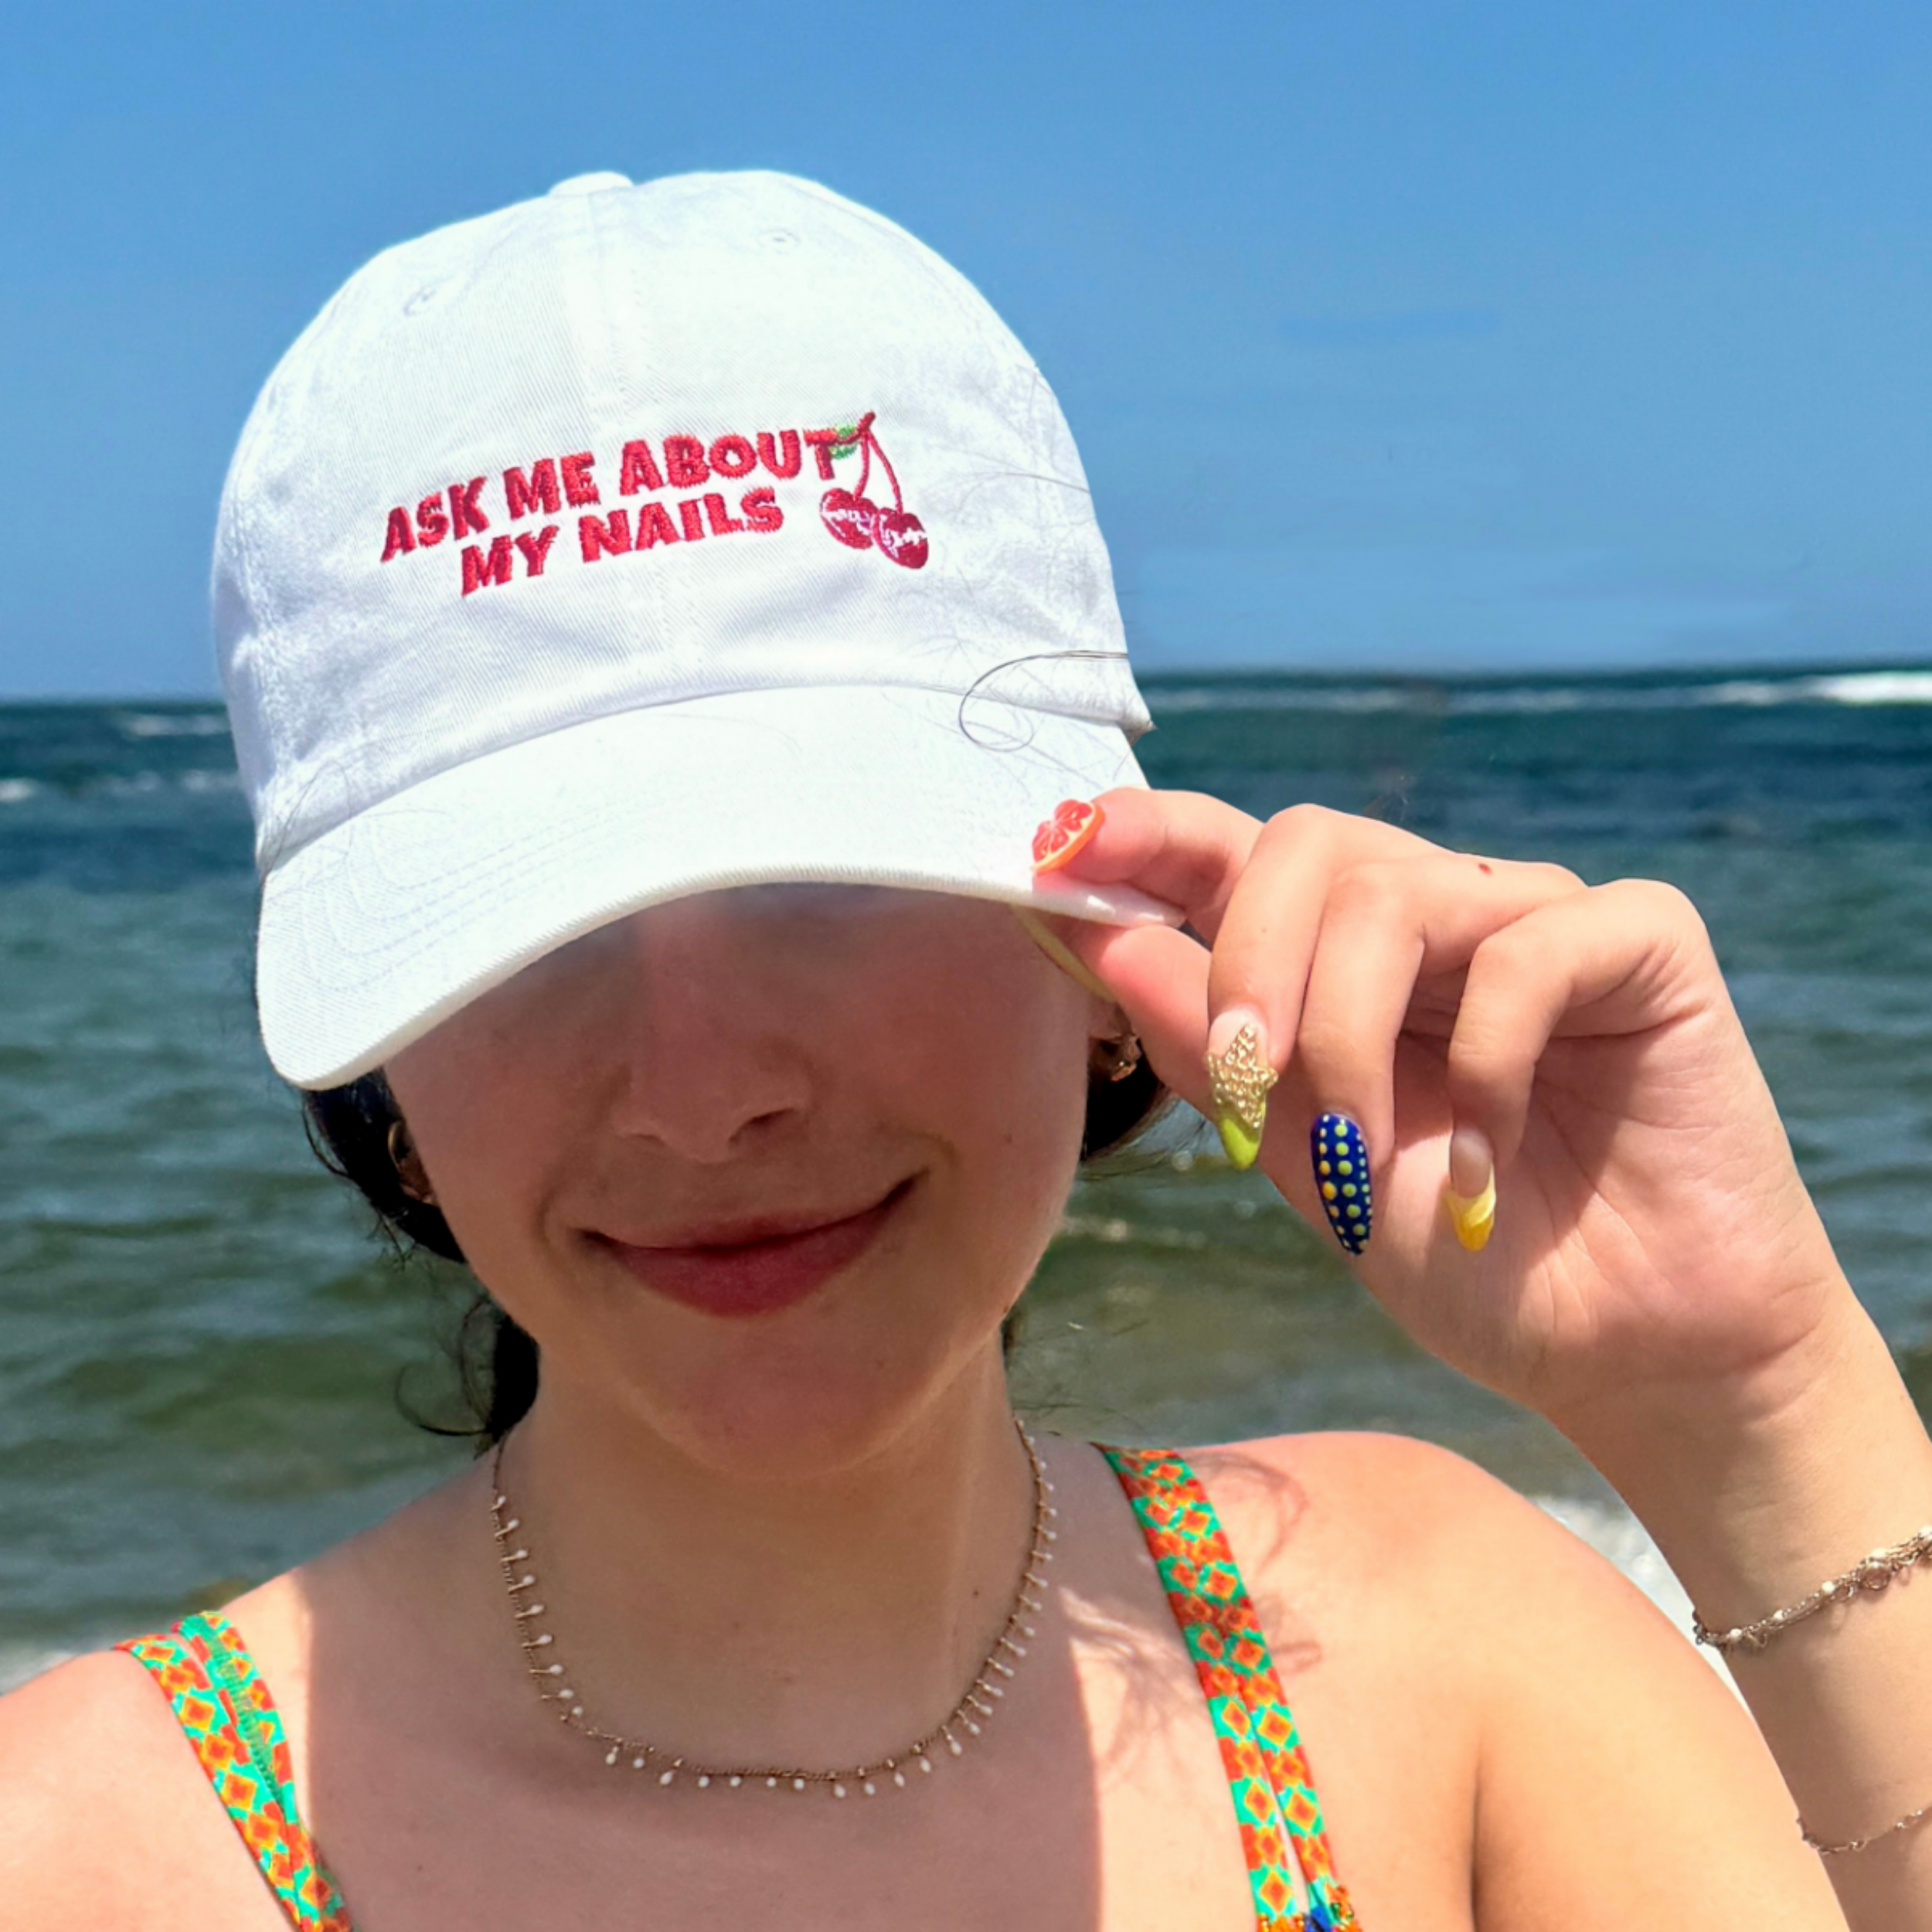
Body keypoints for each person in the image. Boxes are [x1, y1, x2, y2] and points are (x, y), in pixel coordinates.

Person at [0, 168, 1926, 1932]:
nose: (703, 1089)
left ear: (1108, 945)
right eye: (526, 930)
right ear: (383, 1085)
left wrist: (1750, 1408)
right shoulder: (88, 1850)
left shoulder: (1450, 1674)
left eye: (830, 877)